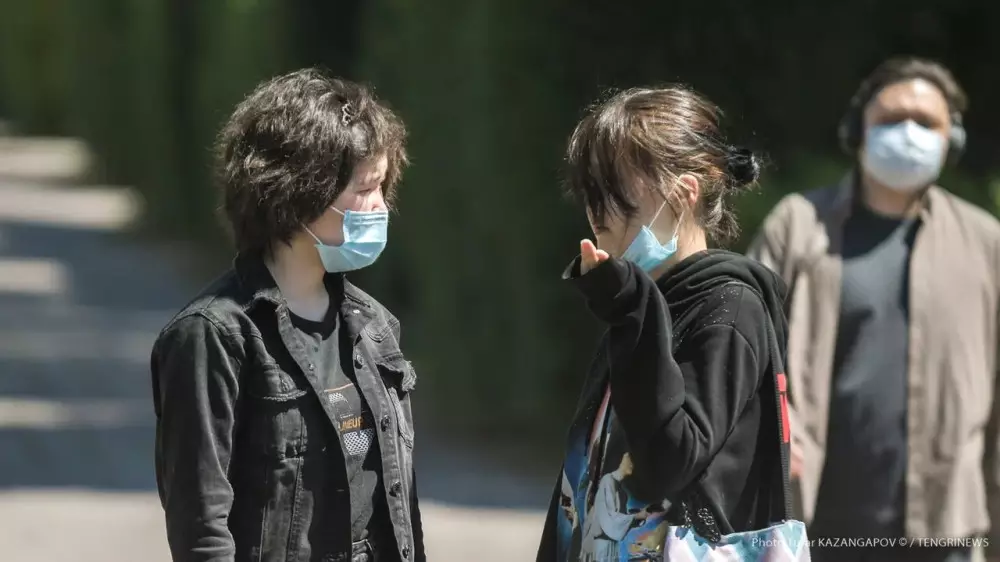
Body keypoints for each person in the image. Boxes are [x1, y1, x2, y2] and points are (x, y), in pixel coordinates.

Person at [150, 68, 424, 562]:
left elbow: (397, 508)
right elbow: (201, 529)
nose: (380, 207)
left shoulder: (375, 327)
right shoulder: (212, 338)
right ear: (299, 191)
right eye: (366, 188)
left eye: (384, 186)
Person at [748, 56, 1000, 562]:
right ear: (857, 129)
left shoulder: (985, 243)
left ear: (952, 140)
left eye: (925, 122)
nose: (907, 132)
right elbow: (740, 347)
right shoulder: (798, 226)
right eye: (890, 118)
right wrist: (768, 418)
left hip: (944, 525)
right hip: (815, 520)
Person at [536, 86, 791, 562]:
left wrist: (631, 311)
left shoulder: (730, 307)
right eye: (591, 191)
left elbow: (668, 462)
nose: (597, 212)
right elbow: (582, 482)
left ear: (684, 193)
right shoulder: (647, 303)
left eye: (614, 189)